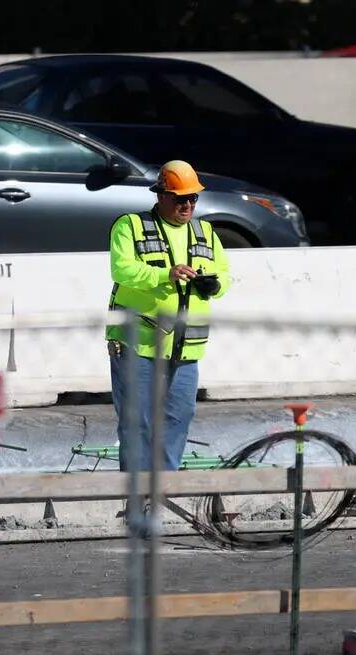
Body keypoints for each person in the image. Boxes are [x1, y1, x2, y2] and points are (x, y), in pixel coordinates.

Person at [106, 160, 231, 472]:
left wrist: (215, 284)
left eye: (193, 199)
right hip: (138, 343)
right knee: (139, 423)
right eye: (180, 199)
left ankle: (165, 487)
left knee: (178, 418)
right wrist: (166, 275)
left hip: (185, 347)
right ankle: (135, 493)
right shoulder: (130, 226)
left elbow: (225, 274)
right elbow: (122, 269)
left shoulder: (205, 232)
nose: (187, 205)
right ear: (161, 195)